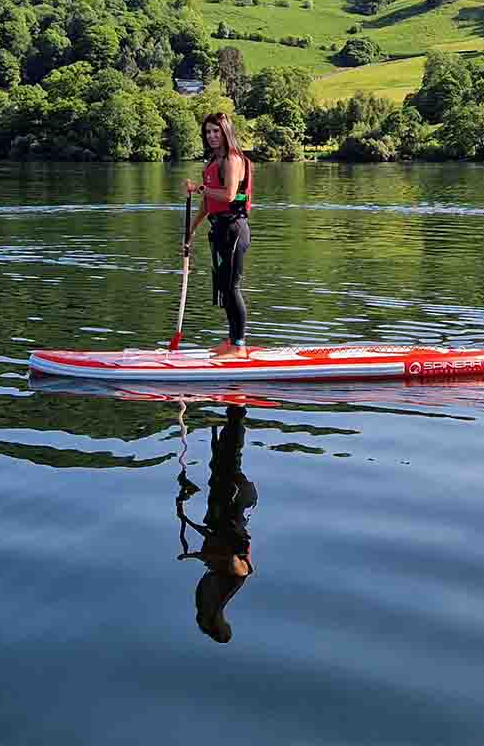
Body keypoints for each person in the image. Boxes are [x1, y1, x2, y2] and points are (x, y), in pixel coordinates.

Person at [176, 404, 256, 643]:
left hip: (222, 509)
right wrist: (213, 556)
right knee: (228, 461)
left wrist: (196, 554)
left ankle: (231, 412)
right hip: (236, 502)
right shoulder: (236, 577)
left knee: (220, 463)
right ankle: (237, 408)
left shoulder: (217, 574)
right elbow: (239, 566)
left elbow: (216, 553)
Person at [181, 113, 252, 356]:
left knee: (231, 287)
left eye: (216, 131)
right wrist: (190, 230)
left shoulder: (232, 159)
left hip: (234, 228)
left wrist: (199, 188)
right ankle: (231, 341)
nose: (211, 136)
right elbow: (208, 201)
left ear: (225, 132)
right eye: (208, 132)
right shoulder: (213, 160)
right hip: (219, 229)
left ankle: (239, 345)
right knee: (223, 286)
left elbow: (229, 196)